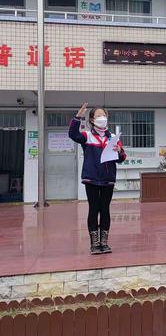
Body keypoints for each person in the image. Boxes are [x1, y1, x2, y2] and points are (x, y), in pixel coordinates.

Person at [69, 103, 127, 255]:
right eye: (99, 116)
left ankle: (104, 242)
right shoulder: (87, 136)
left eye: (104, 115)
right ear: (92, 120)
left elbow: (121, 158)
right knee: (94, 209)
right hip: (92, 178)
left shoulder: (113, 137)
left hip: (108, 179)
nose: (102, 118)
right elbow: (73, 134)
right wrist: (77, 117)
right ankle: (94, 244)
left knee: (105, 209)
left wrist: (119, 151)